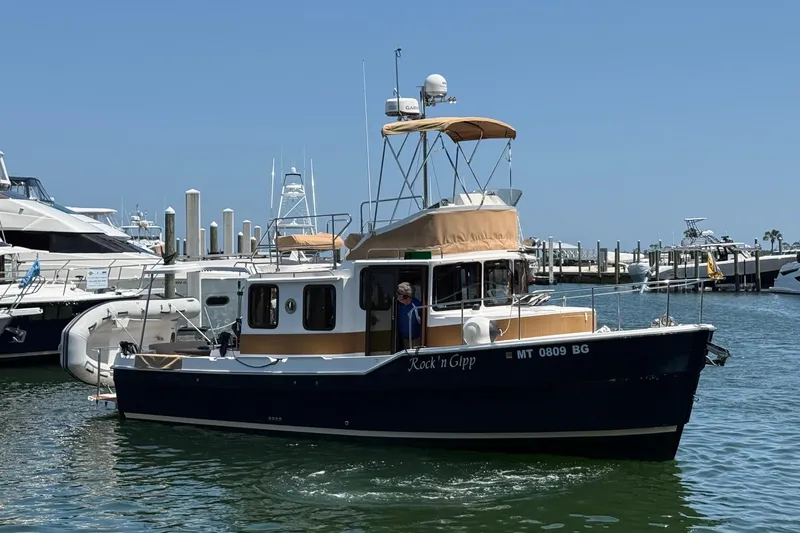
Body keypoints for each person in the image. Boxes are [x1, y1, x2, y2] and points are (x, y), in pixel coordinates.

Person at [396, 282, 422, 349]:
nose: (396, 295)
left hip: (415, 338)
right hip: (404, 337)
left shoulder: (417, 306)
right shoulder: (399, 306)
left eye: (398, 294)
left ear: (404, 296)